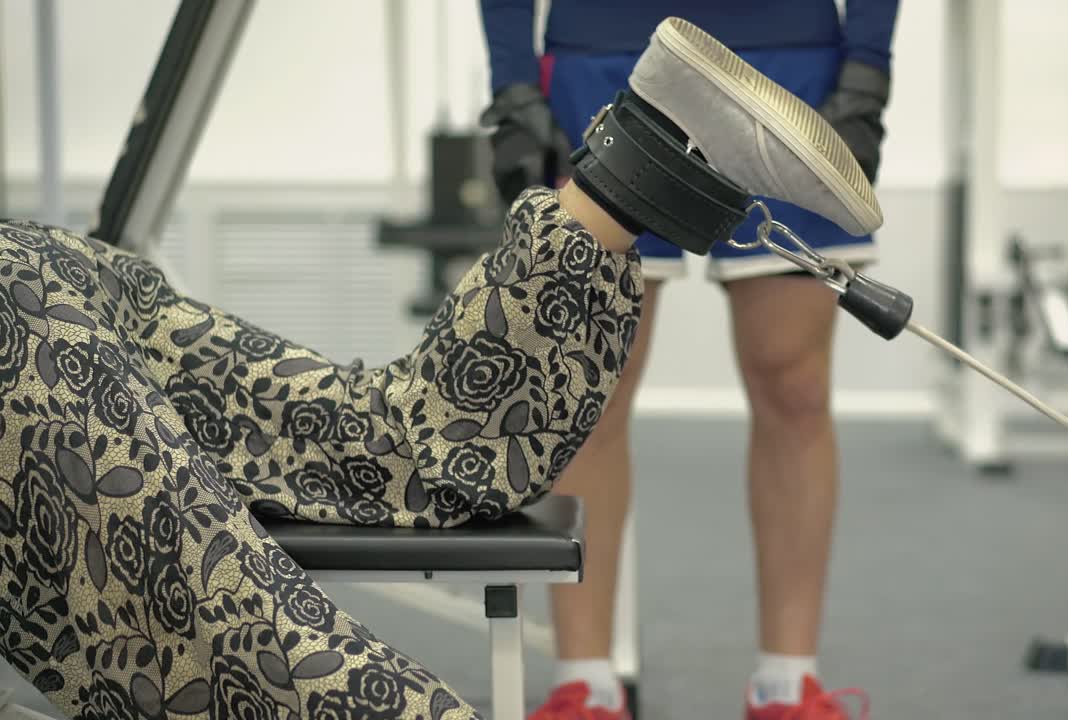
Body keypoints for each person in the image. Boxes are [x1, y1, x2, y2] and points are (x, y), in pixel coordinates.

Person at [0, 18, 880, 720]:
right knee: (347, 463)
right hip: (33, 286)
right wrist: (512, 76)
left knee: (246, 565)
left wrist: (866, 64)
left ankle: (628, 174)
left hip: (23, 307)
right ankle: (629, 173)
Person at [479, 2, 899, 718]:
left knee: (794, 385)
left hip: (789, 60)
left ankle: (787, 684)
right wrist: (514, 82)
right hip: (608, 57)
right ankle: (587, 685)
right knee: (595, 389)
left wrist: (868, 68)